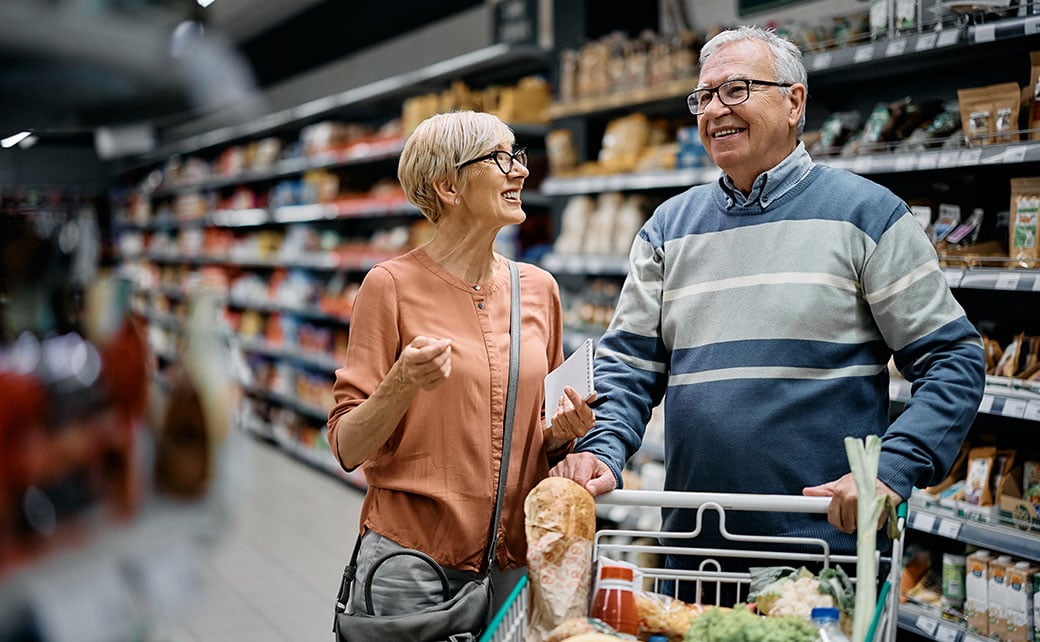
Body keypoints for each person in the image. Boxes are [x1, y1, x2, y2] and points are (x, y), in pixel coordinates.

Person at [550, 25, 986, 597]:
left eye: (736, 89)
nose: (715, 110)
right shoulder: (666, 229)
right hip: (693, 552)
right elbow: (628, 367)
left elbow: (954, 357)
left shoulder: (867, 216)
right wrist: (602, 449)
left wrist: (892, 469)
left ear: (794, 101)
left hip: (822, 558)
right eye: (704, 97)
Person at [326, 110, 595, 619]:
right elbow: (347, 445)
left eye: (517, 156)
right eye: (501, 158)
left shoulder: (540, 290)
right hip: (412, 566)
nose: (521, 170)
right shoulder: (390, 287)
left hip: (515, 566)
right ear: (448, 186)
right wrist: (401, 382)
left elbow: (547, 429)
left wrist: (563, 432)